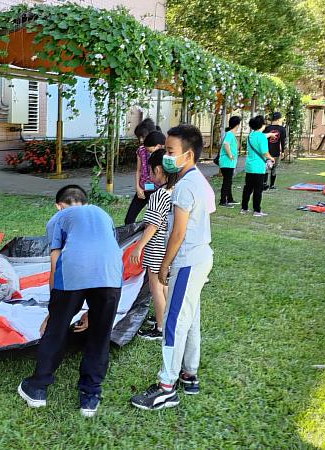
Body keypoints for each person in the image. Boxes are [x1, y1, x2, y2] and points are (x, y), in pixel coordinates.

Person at [17, 185, 123, 418]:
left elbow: (56, 260)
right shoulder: (103, 215)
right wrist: (91, 312)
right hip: (111, 274)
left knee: (55, 330)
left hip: (74, 272)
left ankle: (37, 388)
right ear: (85, 203)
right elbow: (104, 252)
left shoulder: (59, 217)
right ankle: (90, 396)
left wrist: (54, 311)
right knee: (100, 333)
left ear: (59, 205)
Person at [130, 124, 215, 410]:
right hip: (200, 257)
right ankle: (188, 374)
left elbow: (177, 233)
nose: (165, 156)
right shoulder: (200, 181)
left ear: (188, 155)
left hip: (187, 261)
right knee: (190, 320)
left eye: (169, 151)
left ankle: (166, 386)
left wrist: (165, 265)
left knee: (174, 322)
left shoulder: (184, 187)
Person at [129, 149, 178, 340]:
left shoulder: (158, 195)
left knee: (155, 287)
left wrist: (138, 246)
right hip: (169, 247)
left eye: (149, 170)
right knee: (163, 284)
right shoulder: (176, 191)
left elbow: (153, 225)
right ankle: (164, 318)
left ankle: (160, 328)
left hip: (156, 247)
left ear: (158, 170)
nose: (149, 174)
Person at [125, 130, 166, 224]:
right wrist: (138, 187)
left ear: (159, 146)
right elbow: (138, 171)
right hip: (143, 189)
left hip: (157, 189)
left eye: (149, 150)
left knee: (153, 221)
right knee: (129, 219)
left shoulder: (164, 155)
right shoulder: (141, 151)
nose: (148, 152)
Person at [241, 115, 276, 217]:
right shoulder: (261, 137)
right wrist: (272, 158)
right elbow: (265, 153)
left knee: (248, 188)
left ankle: (244, 208)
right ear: (262, 125)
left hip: (249, 166)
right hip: (258, 167)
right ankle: (257, 210)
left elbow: (261, 136)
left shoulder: (250, 135)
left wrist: (269, 134)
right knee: (258, 189)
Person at [218, 116, 242, 207]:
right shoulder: (229, 134)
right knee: (227, 181)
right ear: (237, 125)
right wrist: (230, 155)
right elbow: (225, 144)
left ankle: (230, 199)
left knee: (229, 181)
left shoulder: (231, 134)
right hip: (226, 162)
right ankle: (223, 201)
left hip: (229, 163)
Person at [263, 112, 287, 189]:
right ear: (279, 119)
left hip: (267, 151)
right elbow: (283, 141)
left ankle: (264, 183)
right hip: (276, 152)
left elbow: (263, 139)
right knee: (274, 168)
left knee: (266, 168)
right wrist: (283, 151)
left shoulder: (267, 128)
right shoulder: (282, 129)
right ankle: (272, 185)